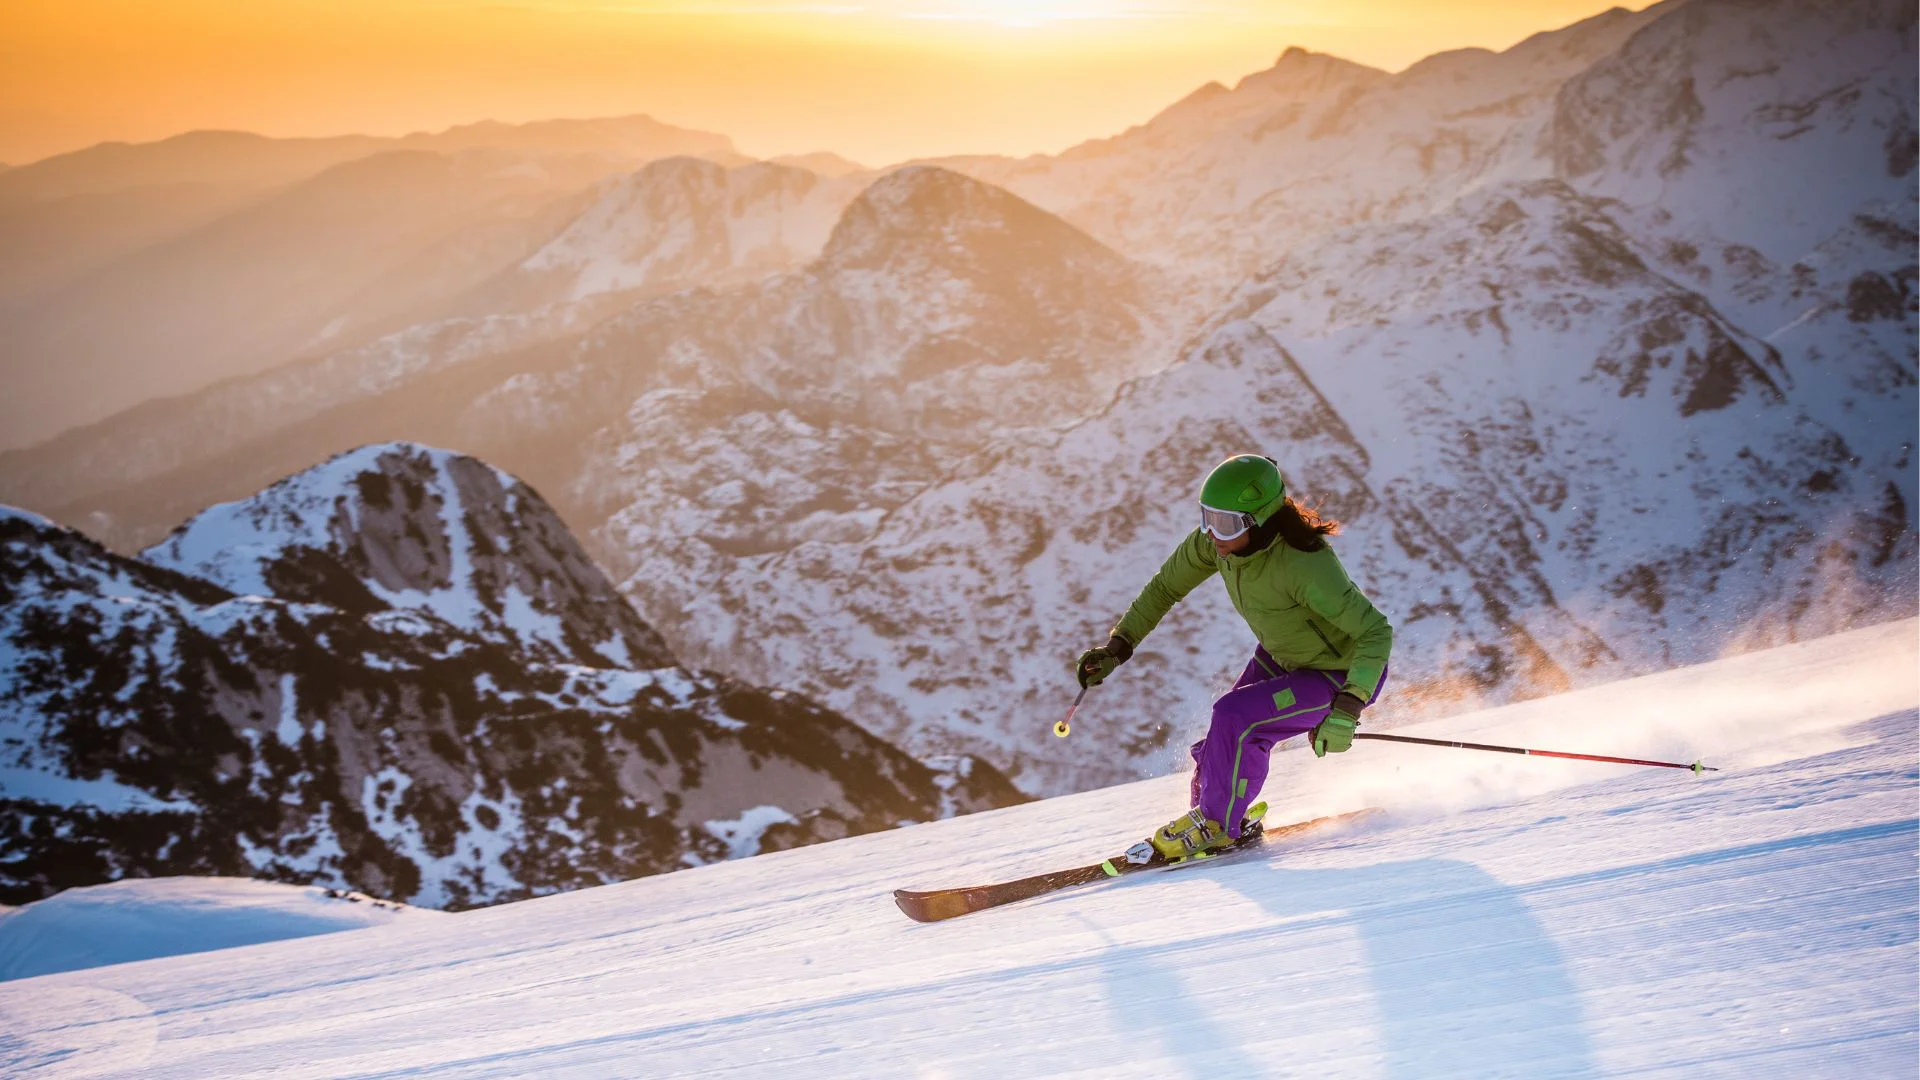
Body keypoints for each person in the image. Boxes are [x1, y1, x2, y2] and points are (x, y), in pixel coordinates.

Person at [1075, 453, 1393, 860]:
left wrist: (1349, 705)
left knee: (1235, 716)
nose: (1211, 533)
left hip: (1339, 674)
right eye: (1206, 517)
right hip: (1284, 657)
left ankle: (1216, 824)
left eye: (1224, 523)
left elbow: (1375, 632)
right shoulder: (1217, 545)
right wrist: (1118, 647)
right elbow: (1163, 589)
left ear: (1258, 520)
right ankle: (1214, 819)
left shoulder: (1305, 564)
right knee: (1220, 744)